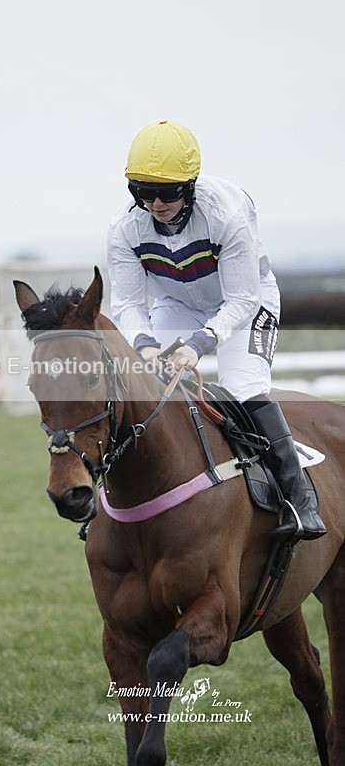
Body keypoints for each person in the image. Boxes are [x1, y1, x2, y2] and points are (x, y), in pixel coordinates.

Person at [107, 119, 326, 541]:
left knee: (242, 386)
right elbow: (130, 305)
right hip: (177, 303)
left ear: (190, 184)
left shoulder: (226, 214)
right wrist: (146, 346)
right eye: (142, 192)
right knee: (146, 385)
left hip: (245, 303)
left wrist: (199, 343)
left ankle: (301, 501)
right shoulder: (123, 228)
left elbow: (242, 300)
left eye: (168, 192)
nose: (155, 203)